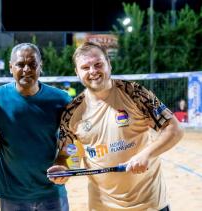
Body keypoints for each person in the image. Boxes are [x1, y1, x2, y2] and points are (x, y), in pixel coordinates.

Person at [48, 41, 184, 211]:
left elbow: (174, 129)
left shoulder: (134, 93)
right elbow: (69, 153)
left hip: (149, 204)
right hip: (102, 206)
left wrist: (146, 154)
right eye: (85, 67)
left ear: (109, 65)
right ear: (77, 72)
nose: (93, 71)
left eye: (98, 64)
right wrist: (64, 167)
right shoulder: (72, 112)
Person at [0, 43, 72, 211]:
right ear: (11, 67)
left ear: (40, 67)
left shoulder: (61, 99)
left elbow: (70, 141)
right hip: (13, 193)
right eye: (20, 64)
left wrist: (63, 160)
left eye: (32, 64)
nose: (26, 69)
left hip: (52, 191)